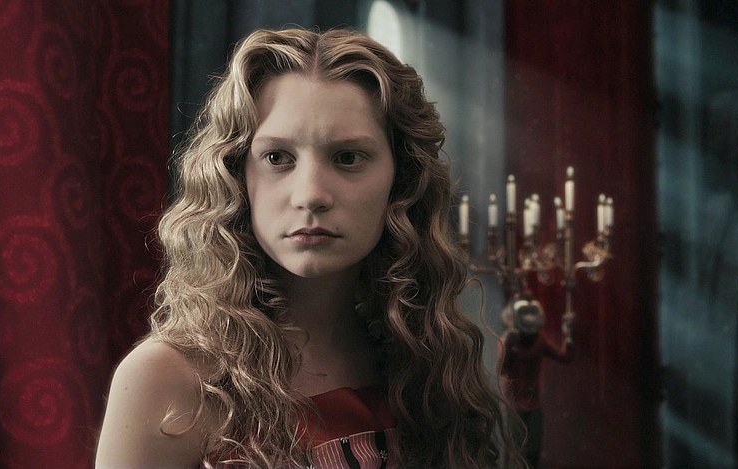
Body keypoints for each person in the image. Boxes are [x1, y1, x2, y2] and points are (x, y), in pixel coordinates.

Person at [96, 27, 524, 469]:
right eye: (277, 158)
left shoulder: (425, 361)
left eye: (348, 157)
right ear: (236, 176)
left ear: (402, 180)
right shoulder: (167, 378)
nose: (311, 194)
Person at [497, 294, 574, 468]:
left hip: (533, 403)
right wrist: (507, 346)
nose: (529, 318)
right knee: (514, 451)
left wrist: (568, 332)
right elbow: (502, 370)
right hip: (513, 404)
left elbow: (564, 356)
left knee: (533, 451)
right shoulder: (508, 340)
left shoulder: (539, 340)